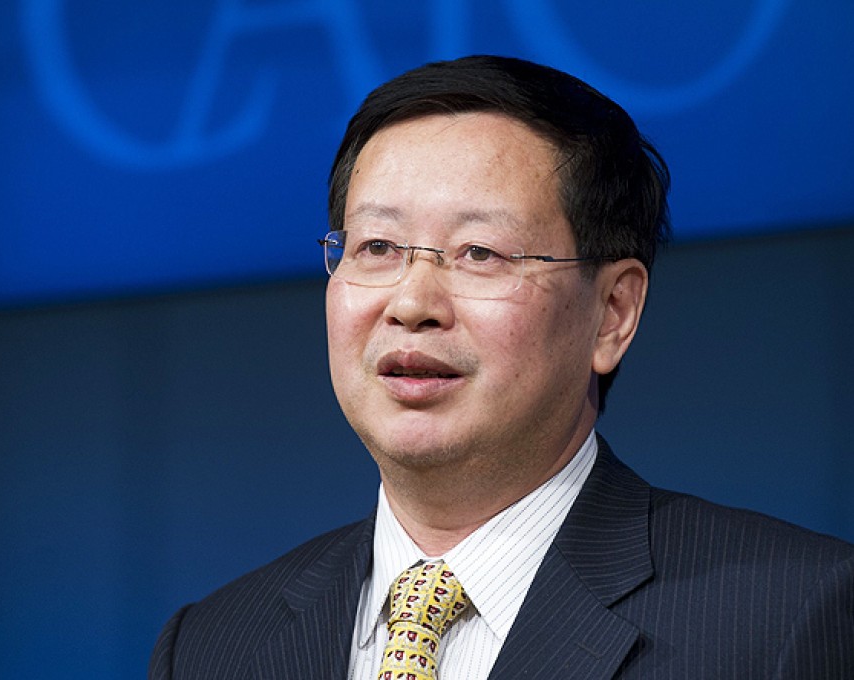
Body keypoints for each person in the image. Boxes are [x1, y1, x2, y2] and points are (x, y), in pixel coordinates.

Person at [149, 55, 854, 679]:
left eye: (480, 253)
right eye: (377, 247)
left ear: (612, 313)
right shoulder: (212, 647)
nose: (412, 302)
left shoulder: (790, 614)